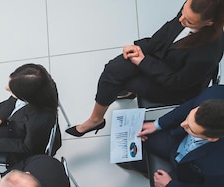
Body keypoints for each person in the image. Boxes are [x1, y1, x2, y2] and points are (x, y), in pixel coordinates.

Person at [66, 0, 224, 137]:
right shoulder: (190, 10)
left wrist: (143, 62)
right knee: (114, 69)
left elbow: (176, 82)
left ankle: (115, 101)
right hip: (162, 60)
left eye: (189, 21)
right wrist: (141, 48)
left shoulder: (207, 54)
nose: (181, 20)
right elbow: (166, 33)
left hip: (174, 87)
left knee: (122, 80)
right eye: (183, 12)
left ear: (209, 23)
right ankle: (96, 119)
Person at [116, 85, 224, 187]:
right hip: (178, 143)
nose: (183, 124)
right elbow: (189, 106)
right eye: (189, 118)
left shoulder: (218, 166)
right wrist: (158, 124)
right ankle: (142, 167)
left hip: (189, 179)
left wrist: (170, 186)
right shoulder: (215, 93)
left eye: (191, 128)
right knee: (134, 132)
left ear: (212, 138)